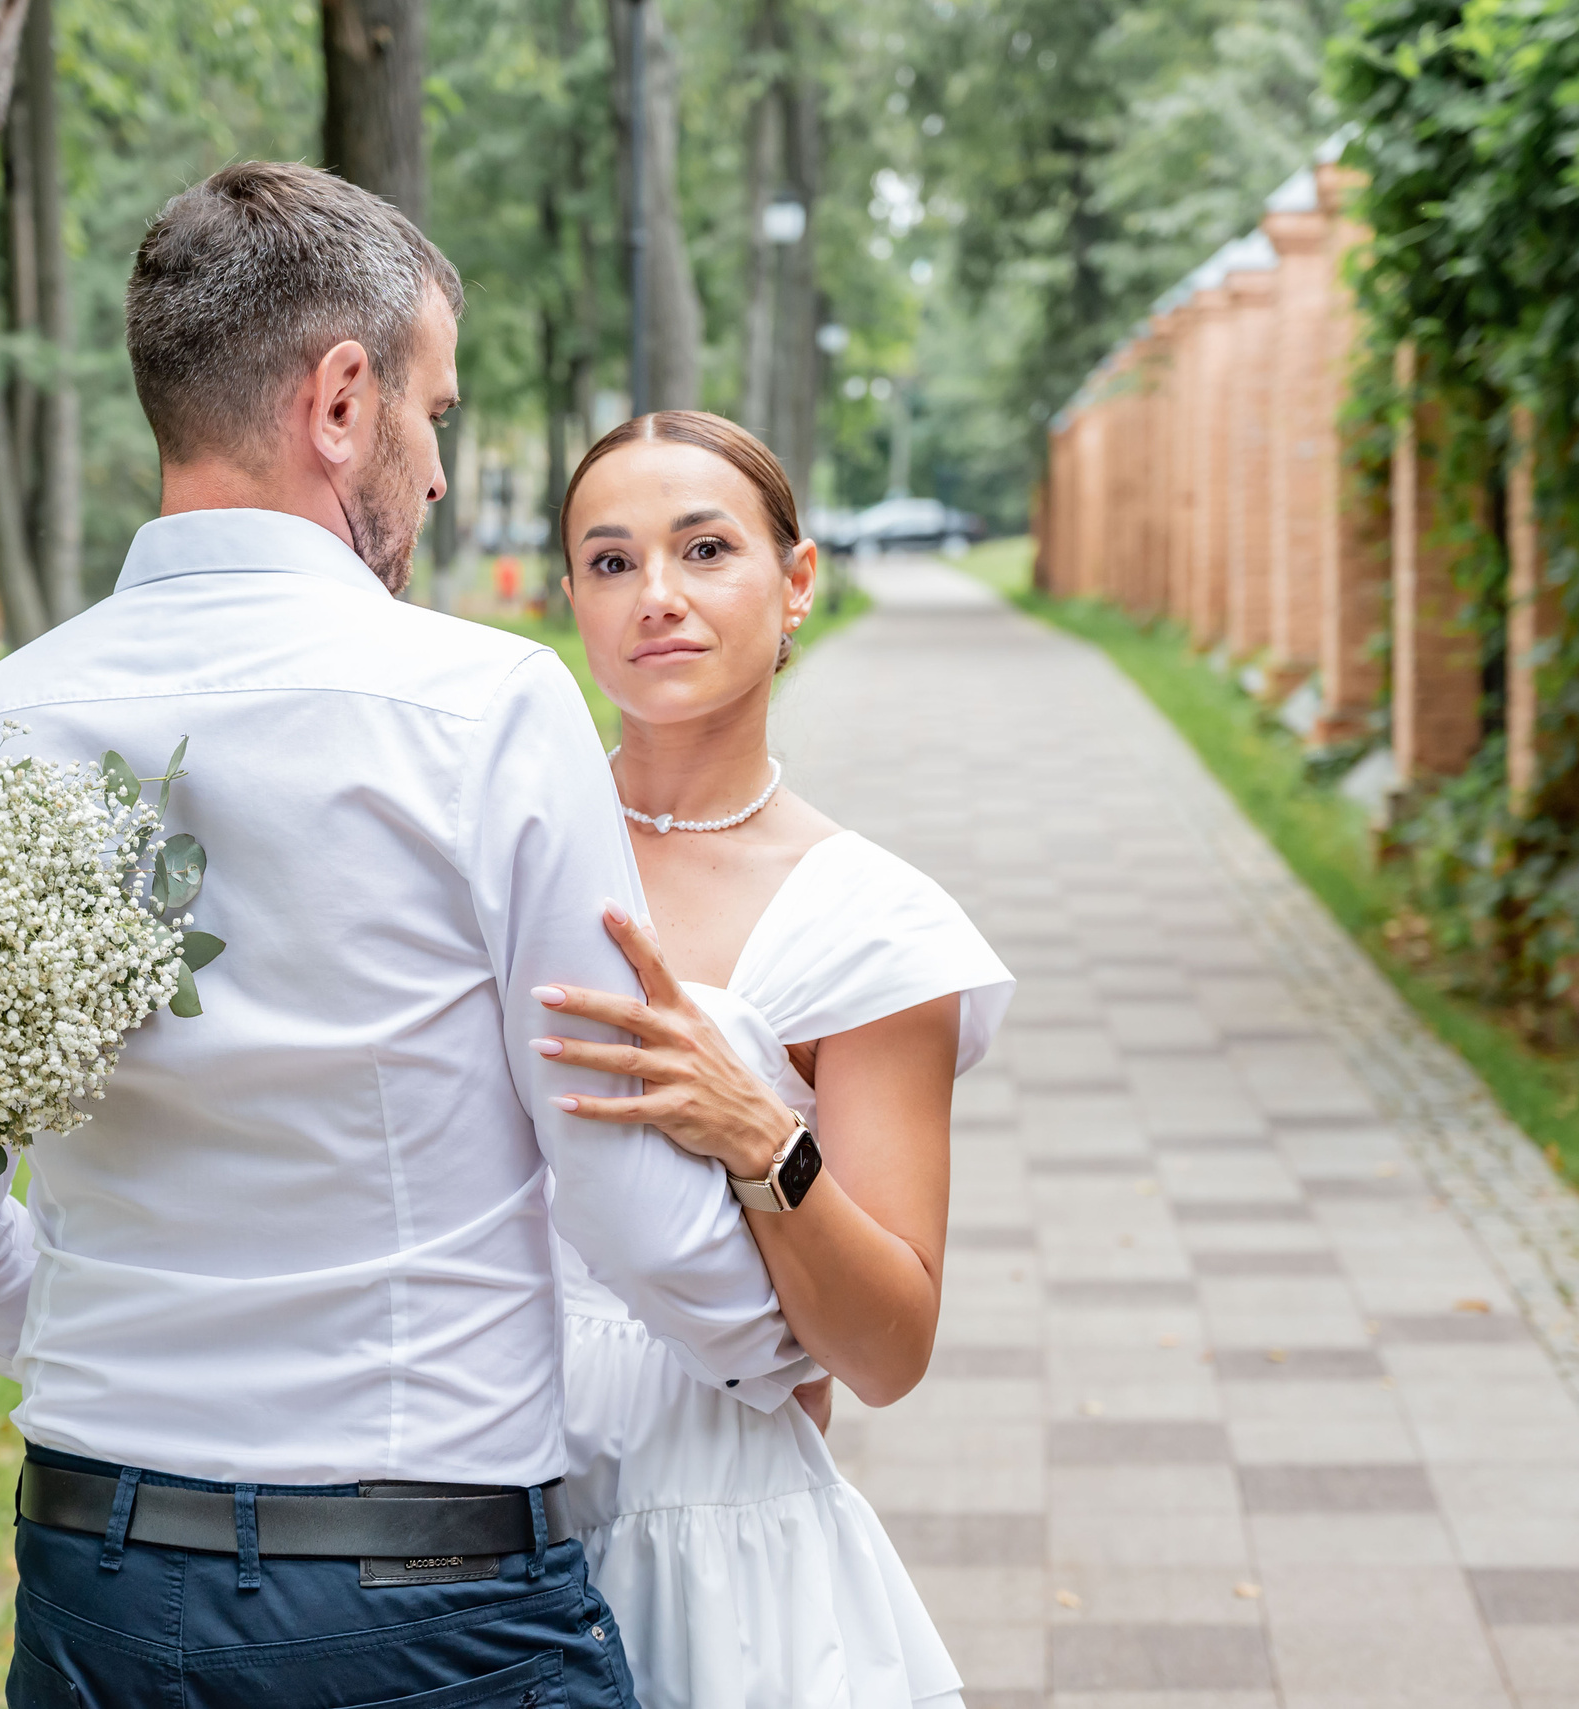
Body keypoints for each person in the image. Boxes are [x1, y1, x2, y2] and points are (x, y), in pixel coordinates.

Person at [0, 164, 812, 1709]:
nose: (439, 470)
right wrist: (782, 1347)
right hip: (424, 1604)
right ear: (338, 401)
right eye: (432, 411)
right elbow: (619, 1180)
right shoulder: (487, 711)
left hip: (99, 1584)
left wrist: (145, 1345)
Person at [535, 411, 1013, 1709]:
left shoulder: (867, 920)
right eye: (614, 560)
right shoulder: (503, 854)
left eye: (706, 549)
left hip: (723, 1556)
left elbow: (887, 1349)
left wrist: (762, 1138)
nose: (661, 597)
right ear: (568, 592)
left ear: (796, 582)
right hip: (470, 1534)